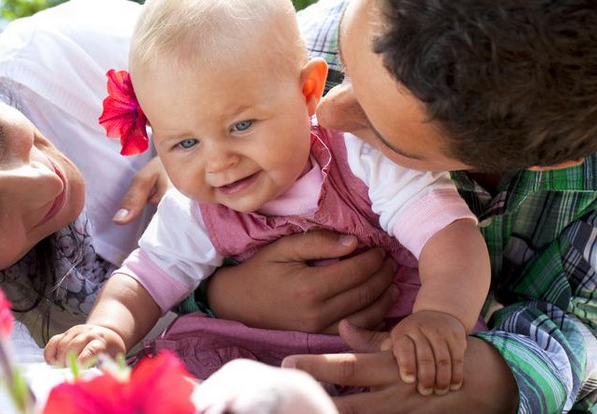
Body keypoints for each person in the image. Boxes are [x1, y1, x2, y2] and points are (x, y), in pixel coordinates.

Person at [44, 0, 490, 397]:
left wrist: (441, 316)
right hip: (260, 352)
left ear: (308, 92)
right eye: (185, 144)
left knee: (438, 388)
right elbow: (143, 279)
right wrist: (104, 329)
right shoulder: (196, 206)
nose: (218, 163)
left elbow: (448, 236)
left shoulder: (358, 155)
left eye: (241, 126)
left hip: (389, 350)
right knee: (176, 381)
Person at [204, 0, 597, 412]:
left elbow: (586, 324)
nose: (326, 112)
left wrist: (502, 377)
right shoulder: (298, 49)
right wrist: (222, 292)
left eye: (380, 132)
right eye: (347, 62)